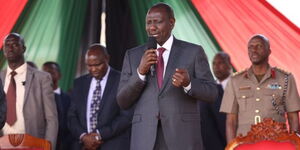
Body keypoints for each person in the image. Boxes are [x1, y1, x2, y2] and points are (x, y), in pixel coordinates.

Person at [117, 3, 218, 150]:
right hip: (145, 138)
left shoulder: (193, 52)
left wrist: (189, 84)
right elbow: (122, 101)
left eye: (157, 22)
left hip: (182, 136)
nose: (152, 27)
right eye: (148, 23)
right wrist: (140, 73)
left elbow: (212, 93)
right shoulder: (133, 56)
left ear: (172, 22)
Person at [220, 34, 300, 143]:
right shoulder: (235, 81)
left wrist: (294, 145)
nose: (254, 50)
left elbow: (293, 117)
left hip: (276, 144)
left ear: (269, 51)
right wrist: (231, 147)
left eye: (259, 46)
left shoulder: (285, 79)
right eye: (250, 47)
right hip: (245, 144)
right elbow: (231, 121)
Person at [68, 44, 132, 150]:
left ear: (107, 59)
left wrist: (99, 135)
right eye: (89, 65)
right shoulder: (79, 83)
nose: (93, 69)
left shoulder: (122, 81)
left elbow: (126, 116)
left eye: (97, 65)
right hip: (83, 145)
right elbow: (72, 116)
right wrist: (84, 137)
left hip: (113, 145)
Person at [0, 33, 58, 150]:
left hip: (33, 143)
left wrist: (48, 146)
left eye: (15, 44)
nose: (10, 48)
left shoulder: (42, 78)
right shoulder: (0, 77)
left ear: (24, 48)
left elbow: (52, 119)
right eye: (7, 45)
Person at [200, 52, 232, 150]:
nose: (216, 67)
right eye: (214, 64)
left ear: (229, 65)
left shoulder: (240, 85)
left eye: (220, 63)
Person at [42, 61, 71, 150]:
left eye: (51, 72)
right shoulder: (37, 97)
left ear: (59, 75)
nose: (47, 76)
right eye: (44, 73)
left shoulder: (69, 98)